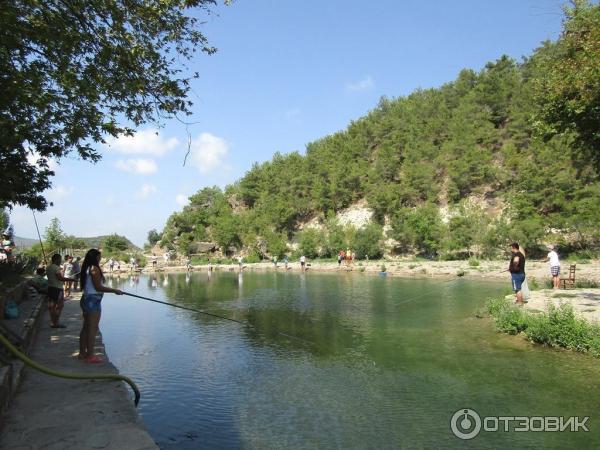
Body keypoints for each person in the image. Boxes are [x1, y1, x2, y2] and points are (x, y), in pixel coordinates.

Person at [78, 249, 123, 363]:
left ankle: (82, 353)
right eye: (99, 257)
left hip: (86, 299)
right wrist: (114, 290)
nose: (100, 258)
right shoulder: (94, 268)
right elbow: (98, 287)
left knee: (86, 328)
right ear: (95, 257)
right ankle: (90, 356)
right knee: (92, 329)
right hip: (93, 301)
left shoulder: (87, 268)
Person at [46, 253, 76, 328]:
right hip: (57, 289)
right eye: (59, 259)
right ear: (56, 259)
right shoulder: (56, 268)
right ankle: (56, 323)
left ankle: (53, 322)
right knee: (60, 306)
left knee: (51, 306)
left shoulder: (48, 267)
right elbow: (60, 278)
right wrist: (72, 279)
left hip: (50, 288)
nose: (60, 261)